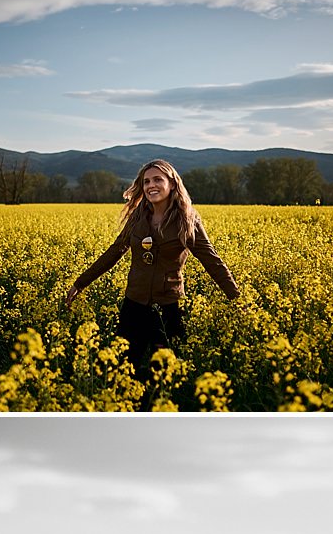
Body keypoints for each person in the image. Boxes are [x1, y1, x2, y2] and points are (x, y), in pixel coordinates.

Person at [64, 158, 239, 375]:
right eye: (146, 182)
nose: (150, 186)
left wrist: (238, 299)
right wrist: (80, 283)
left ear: (172, 183)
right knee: (123, 371)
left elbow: (212, 260)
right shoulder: (138, 216)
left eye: (157, 179)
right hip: (133, 305)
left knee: (164, 376)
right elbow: (115, 251)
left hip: (168, 308)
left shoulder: (188, 220)